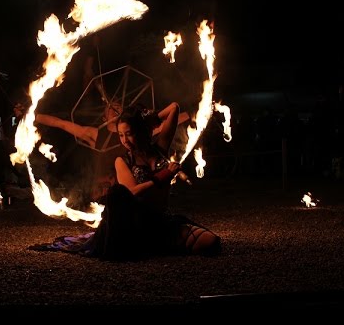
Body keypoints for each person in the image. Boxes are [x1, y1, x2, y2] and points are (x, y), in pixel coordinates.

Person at [29, 102, 221, 261]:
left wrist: (150, 120)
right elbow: (132, 192)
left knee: (211, 242)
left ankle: (160, 244)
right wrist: (162, 177)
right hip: (137, 226)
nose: (125, 140)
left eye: (129, 133)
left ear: (140, 131)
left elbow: (174, 108)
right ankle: (151, 246)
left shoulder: (160, 148)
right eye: (121, 135)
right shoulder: (123, 161)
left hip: (161, 220)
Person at [34, 102, 190, 203]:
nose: (115, 108)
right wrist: (31, 115)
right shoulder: (97, 135)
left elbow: (176, 111)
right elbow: (60, 124)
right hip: (110, 197)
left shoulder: (145, 140)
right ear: (104, 117)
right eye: (110, 106)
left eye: (118, 105)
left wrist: (147, 120)